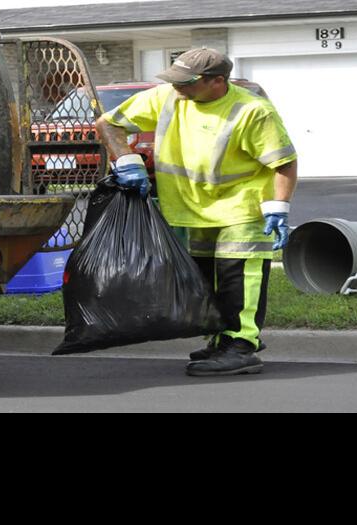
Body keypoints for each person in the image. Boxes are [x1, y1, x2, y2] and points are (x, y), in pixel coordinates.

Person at [95, 47, 298, 377]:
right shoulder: (166, 98)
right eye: (174, 80)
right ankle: (224, 339)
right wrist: (126, 161)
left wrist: (279, 208)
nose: (177, 88)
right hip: (192, 208)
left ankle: (242, 346)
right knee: (206, 280)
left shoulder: (252, 111)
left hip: (241, 207)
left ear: (217, 82)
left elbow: (284, 162)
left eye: (186, 82)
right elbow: (109, 124)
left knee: (238, 278)